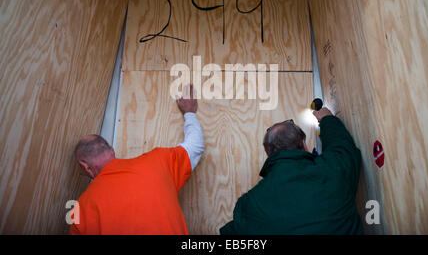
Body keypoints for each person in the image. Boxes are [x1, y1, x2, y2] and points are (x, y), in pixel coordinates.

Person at [70, 85, 203, 235]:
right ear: (111, 151)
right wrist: (190, 112)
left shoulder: (81, 208)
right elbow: (196, 145)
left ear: (85, 167)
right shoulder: (159, 162)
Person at [220, 107, 363, 235]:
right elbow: (342, 147)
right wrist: (327, 119)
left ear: (270, 155)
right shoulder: (332, 170)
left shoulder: (250, 203)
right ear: (303, 145)